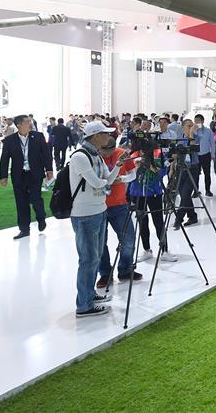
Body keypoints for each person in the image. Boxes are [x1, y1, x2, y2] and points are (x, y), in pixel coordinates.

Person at [69, 120, 132, 318]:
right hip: (85, 214)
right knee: (88, 259)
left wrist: (118, 165)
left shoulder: (96, 155)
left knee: (94, 258)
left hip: (99, 210)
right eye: (105, 133)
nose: (109, 136)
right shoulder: (80, 156)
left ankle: (89, 296)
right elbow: (98, 183)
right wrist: (109, 181)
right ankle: (84, 305)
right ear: (95, 136)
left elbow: (108, 180)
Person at [96, 138, 142, 289]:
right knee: (100, 243)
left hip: (120, 204)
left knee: (128, 239)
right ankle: (105, 273)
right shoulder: (94, 157)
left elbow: (133, 174)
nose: (106, 154)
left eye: (109, 151)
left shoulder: (122, 154)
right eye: (103, 151)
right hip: (99, 206)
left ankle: (125, 269)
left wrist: (121, 179)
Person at [0, 114, 54, 240]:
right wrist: (3, 176)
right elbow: (4, 159)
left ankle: (41, 217)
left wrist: (49, 170)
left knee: (36, 199)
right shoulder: (9, 140)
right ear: (19, 125)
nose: (30, 124)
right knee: (21, 202)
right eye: (27, 122)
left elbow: (46, 154)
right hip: (19, 175)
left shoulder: (38, 136)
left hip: (35, 174)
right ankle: (24, 229)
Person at [128, 141, 177, 263]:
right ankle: (147, 250)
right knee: (142, 222)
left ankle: (165, 251)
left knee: (158, 221)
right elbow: (127, 175)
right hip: (137, 194)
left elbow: (163, 172)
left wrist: (151, 166)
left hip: (154, 193)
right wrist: (136, 167)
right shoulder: (132, 155)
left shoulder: (158, 154)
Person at [172, 119, 201, 229]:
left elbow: (194, 147)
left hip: (192, 168)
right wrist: (172, 167)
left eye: (192, 125)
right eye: (189, 126)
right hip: (180, 168)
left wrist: (191, 134)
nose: (191, 127)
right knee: (184, 195)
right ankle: (192, 216)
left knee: (185, 194)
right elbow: (176, 154)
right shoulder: (179, 138)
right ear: (183, 127)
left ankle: (178, 218)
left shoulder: (196, 136)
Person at [193, 114, 215, 197]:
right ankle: (196, 191)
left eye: (198, 120)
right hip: (196, 155)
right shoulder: (192, 131)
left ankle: (208, 190)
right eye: (195, 121)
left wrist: (213, 154)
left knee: (207, 174)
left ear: (202, 121)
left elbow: (212, 143)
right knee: (195, 174)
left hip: (206, 155)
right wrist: (194, 132)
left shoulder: (208, 131)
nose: (197, 122)